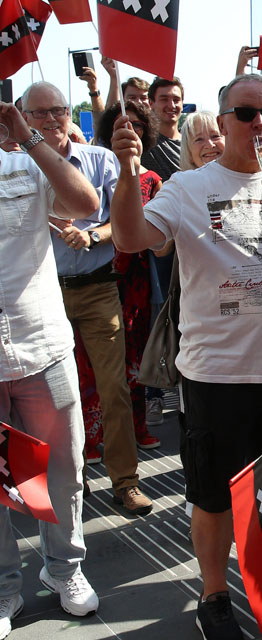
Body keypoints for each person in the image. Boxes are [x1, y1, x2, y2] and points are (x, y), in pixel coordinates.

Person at [110, 73, 262, 640]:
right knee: (213, 495)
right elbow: (130, 237)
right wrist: (124, 170)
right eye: (246, 113)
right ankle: (214, 594)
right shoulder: (188, 187)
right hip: (215, 375)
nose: (260, 123)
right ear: (222, 122)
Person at [28, 81, 154, 516]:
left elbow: (123, 222)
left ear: (70, 113)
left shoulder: (100, 161)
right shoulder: (17, 167)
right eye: (38, 113)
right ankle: (69, 482)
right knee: (52, 396)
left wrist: (91, 234)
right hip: (42, 295)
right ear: (24, 119)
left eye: (58, 110)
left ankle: (125, 482)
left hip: (100, 289)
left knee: (113, 388)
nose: (50, 120)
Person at [0, 101, 101, 638]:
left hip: (43, 345)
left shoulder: (25, 162)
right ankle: (2, 589)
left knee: (65, 470)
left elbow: (85, 203)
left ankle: (66, 570)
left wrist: (27, 136)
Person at [80, 100, 163, 450]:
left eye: (138, 127)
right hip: (99, 275)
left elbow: (160, 234)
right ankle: (94, 435)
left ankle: (137, 427)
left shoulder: (153, 179)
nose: (130, 133)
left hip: (139, 280)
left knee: (136, 358)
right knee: (96, 363)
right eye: (120, 127)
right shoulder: (96, 173)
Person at [142, 77, 184, 182]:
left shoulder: (194, 142)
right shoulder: (144, 142)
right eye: (164, 99)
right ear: (151, 103)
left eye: (176, 100)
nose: (171, 105)